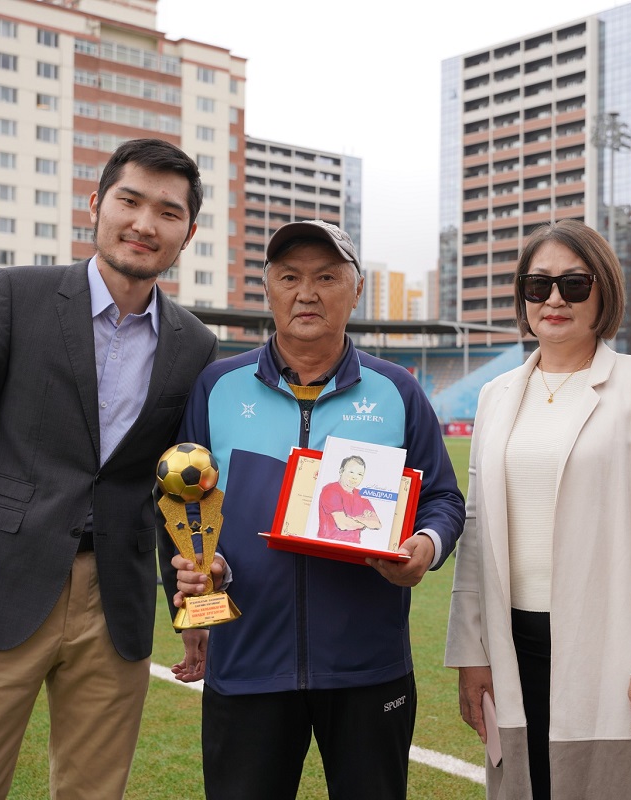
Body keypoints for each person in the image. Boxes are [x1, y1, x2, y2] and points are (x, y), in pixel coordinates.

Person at [0, 138, 218, 798]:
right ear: (95, 204)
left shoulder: (195, 343)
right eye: (130, 201)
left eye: (168, 212)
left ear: (188, 233)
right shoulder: (14, 295)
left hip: (117, 606)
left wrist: (196, 613)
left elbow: (179, 492)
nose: (145, 224)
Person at [161, 219, 465, 800]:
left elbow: (444, 498)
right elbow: (183, 507)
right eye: (289, 277)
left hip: (368, 666)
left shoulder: (396, 390)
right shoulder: (217, 387)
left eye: (326, 277)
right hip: (247, 662)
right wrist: (201, 583)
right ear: (267, 289)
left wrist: (425, 547)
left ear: (356, 289)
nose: (307, 293)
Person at [445, 220, 631, 799]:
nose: (555, 299)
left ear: (602, 291)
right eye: (538, 285)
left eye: (574, 284)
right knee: (530, 784)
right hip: (513, 644)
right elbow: (476, 530)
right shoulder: (495, 395)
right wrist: (470, 652)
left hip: (616, 644)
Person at [318, 455, 381, 543]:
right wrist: (364, 521)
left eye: (360, 474)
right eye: (351, 472)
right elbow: (343, 524)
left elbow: (376, 523)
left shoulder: (361, 495)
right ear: (341, 471)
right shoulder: (331, 490)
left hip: (354, 546)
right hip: (329, 543)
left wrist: (352, 519)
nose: (355, 477)